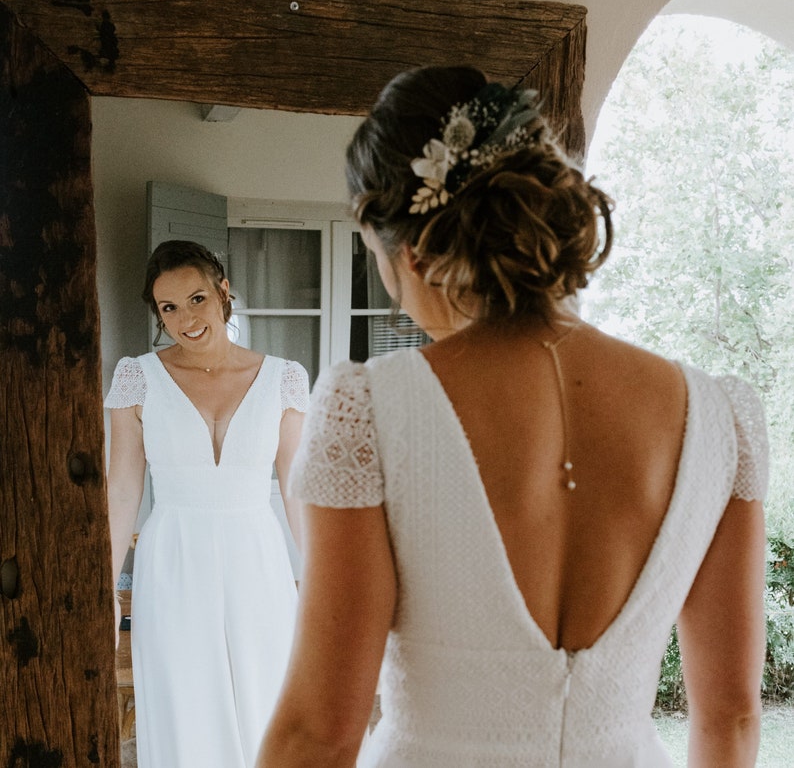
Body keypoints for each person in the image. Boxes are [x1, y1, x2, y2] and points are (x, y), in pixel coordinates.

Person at [257, 65, 769, 767]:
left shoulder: (367, 410)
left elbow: (321, 730)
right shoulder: (721, 417)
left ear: (410, 253)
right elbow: (734, 716)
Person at [105, 239, 309, 768]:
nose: (185, 319)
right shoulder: (137, 376)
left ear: (223, 292)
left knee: (267, 701)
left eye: (196, 299)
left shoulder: (284, 376)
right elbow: (123, 488)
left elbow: (296, 490)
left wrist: (320, 580)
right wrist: (103, 584)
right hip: (173, 560)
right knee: (184, 708)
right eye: (168, 308)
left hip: (257, 559)